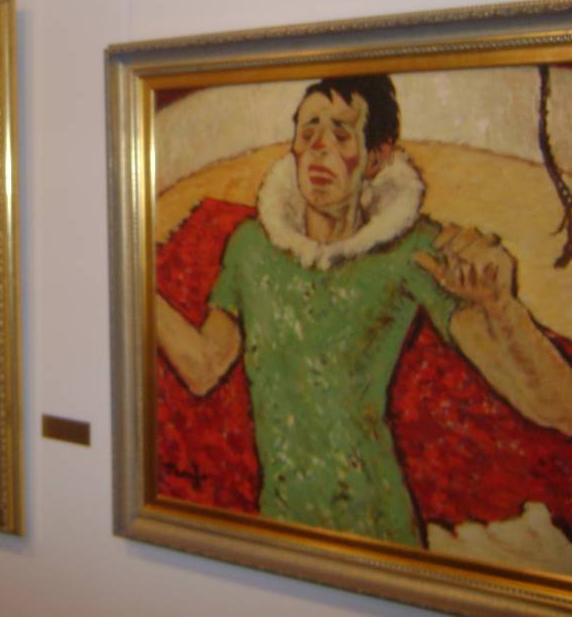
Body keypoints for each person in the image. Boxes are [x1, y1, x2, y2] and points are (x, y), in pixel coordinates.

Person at [157, 74, 572, 547]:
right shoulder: (251, 246)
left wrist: (502, 307)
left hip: (378, 531)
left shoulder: (413, 250)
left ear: (376, 157)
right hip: (280, 527)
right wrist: (134, 279)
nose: (319, 150)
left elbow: (556, 406)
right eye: (308, 132)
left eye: (340, 134)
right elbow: (205, 367)